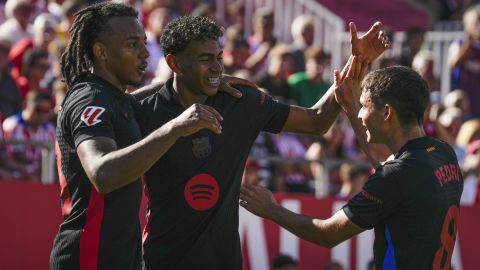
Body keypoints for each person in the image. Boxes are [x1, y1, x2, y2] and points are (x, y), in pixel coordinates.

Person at [136, 15, 389, 269]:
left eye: (218, 58)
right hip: (161, 260)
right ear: (173, 63)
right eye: (205, 59)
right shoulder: (144, 110)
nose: (217, 68)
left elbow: (316, 121)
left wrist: (357, 60)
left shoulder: (239, 100)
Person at [49, 3, 246, 269]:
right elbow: (102, 173)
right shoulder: (89, 100)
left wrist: (200, 81)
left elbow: (135, 101)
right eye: (132, 44)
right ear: (101, 51)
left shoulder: (115, 98)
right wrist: (174, 128)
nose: (145, 53)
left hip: (121, 257)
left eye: (144, 43)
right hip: (88, 258)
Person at [240, 65, 464, 269]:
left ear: (387, 113)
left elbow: (328, 234)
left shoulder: (395, 176)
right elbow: (390, 165)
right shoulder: (444, 153)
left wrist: (271, 209)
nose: (360, 114)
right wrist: (348, 104)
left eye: (364, 106)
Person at [2, 90, 56, 182]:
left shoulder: (50, 129)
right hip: (17, 176)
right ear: (25, 106)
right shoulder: (11, 125)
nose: (42, 115)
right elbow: (9, 156)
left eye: (46, 111)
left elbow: (55, 158)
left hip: (43, 176)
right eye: (38, 110)